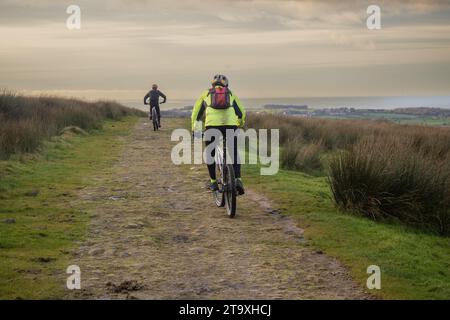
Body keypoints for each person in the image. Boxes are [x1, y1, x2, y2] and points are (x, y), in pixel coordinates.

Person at [191, 74, 246, 195]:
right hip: (231, 125)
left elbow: (196, 113)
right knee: (233, 151)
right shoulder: (231, 94)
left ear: (213, 84)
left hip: (212, 126)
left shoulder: (206, 94)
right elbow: (241, 112)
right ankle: (238, 180)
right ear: (226, 85)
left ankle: (213, 181)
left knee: (210, 152)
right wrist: (240, 123)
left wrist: (194, 129)